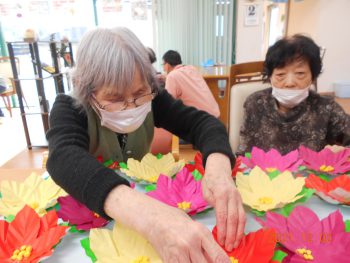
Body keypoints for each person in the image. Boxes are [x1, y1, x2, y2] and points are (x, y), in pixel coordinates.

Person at [46, 27, 245, 262]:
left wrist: (219, 169)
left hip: (137, 201)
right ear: (85, 88)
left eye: (140, 93)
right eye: (114, 98)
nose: (131, 106)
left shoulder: (154, 99)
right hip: (88, 211)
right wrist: (152, 219)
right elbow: (63, 157)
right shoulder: (70, 107)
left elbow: (204, 124)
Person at [238, 34, 350, 155]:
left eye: (300, 73)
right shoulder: (255, 103)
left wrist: (344, 151)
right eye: (280, 75)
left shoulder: (326, 107)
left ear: (313, 77)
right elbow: (245, 152)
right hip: (264, 172)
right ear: (270, 76)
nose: (290, 83)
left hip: (311, 173)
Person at [162, 50, 220, 118]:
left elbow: (168, 103)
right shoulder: (192, 69)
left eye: (163, 64)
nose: (163, 68)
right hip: (215, 114)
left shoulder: (172, 76)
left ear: (167, 65)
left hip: (202, 121)